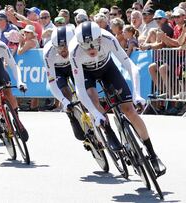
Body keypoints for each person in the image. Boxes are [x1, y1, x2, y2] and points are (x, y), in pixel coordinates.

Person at [69, 21, 166, 176]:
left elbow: (131, 67)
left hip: (108, 68)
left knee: (130, 110)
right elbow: (80, 88)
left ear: (100, 38)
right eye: (86, 46)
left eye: (94, 44)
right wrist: (95, 114)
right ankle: (107, 130)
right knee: (92, 98)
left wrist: (137, 94)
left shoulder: (108, 39)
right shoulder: (74, 52)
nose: (91, 49)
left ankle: (153, 154)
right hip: (87, 73)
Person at [43, 26, 85, 141]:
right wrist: (65, 102)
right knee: (66, 92)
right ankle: (71, 115)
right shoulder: (48, 52)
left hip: (73, 65)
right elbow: (52, 83)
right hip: (58, 70)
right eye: (59, 47)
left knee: (83, 89)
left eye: (66, 47)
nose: (63, 50)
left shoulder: (78, 45)